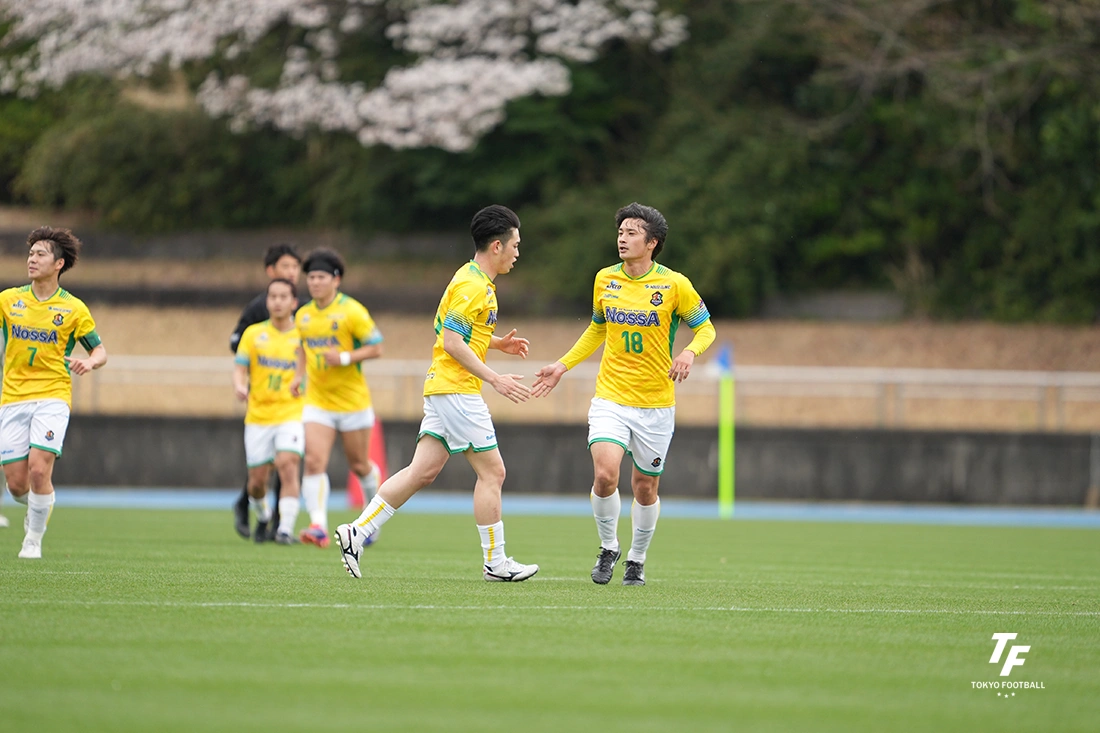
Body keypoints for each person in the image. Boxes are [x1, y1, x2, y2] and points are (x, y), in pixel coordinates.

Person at [334, 204, 539, 582]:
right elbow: (451, 342)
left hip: (444, 389)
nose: (517, 252)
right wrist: (495, 378)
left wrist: (496, 344)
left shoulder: (470, 278)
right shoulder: (472, 285)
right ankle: (495, 563)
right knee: (493, 472)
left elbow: (454, 330)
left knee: (421, 472)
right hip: (457, 390)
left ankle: (357, 532)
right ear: (497, 245)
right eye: (515, 245)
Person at [531, 203, 715, 586]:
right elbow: (597, 329)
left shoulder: (674, 284)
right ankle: (608, 546)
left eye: (632, 233)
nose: (622, 238)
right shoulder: (604, 279)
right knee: (605, 475)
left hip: (656, 404)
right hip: (611, 397)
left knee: (645, 487)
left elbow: (706, 329)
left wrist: (688, 353)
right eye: (620, 232)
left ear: (652, 242)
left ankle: (637, 559)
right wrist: (562, 365)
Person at [0, 227, 108, 559]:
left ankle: (33, 540)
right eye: (30, 253)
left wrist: (90, 362)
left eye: (40, 254)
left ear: (59, 263)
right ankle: (40, 503)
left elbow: (100, 351)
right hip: (13, 397)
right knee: (17, 484)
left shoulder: (73, 309)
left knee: (38, 469)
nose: (31, 259)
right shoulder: (8, 300)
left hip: (53, 396)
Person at [294, 248, 384, 548]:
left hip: (353, 403)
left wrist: (344, 357)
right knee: (313, 461)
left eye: (321, 277)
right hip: (318, 401)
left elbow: (376, 347)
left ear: (336, 280)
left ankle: (372, 519)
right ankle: (318, 525)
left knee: (360, 465)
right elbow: (301, 348)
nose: (315, 283)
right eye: (311, 278)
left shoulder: (352, 311)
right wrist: (298, 377)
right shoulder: (303, 315)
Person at [229, 244, 302, 541]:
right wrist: (239, 385)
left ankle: (285, 529)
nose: (278, 302)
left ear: (294, 302)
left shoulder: (304, 335)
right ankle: (263, 515)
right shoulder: (253, 333)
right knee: (257, 483)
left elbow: (312, 367)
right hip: (258, 414)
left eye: (284, 297)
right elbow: (240, 366)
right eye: (273, 297)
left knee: (287, 464)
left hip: (292, 412)